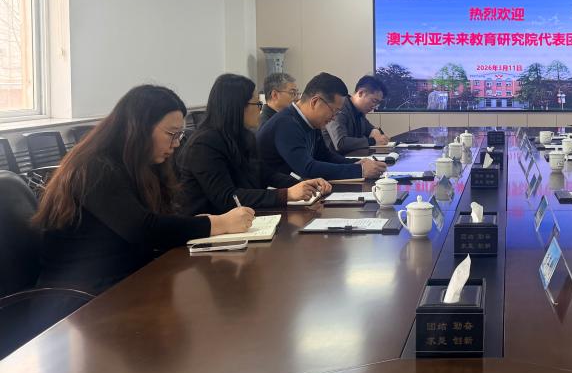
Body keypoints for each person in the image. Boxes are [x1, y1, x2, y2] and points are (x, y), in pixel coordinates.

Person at [33, 85, 254, 296]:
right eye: (171, 134)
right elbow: (142, 228)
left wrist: (197, 224)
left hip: (123, 279)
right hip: (82, 297)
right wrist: (217, 224)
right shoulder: (94, 167)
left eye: (179, 135)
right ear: (138, 128)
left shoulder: (140, 164)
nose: (177, 144)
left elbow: (156, 221)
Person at [176, 74, 331, 215]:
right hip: (212, 228)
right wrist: (286, 194)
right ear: (238, 106)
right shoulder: (204, 144)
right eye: (257, 104)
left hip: (245, 219)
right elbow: (227, 198)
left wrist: (304, 184)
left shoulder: (244, 136)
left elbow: (264, 174)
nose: (260, 110)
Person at [256, 72, 386, 183]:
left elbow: (325, 156)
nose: (334, 117)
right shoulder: (286, 123)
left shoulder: (311, 121)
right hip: (272, 195)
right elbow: (307, 168)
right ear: (315, 102)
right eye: (334, 111)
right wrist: (359, 170)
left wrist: (356, 163)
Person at [324, 74, 389, 155]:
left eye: (377, 103)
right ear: (361, 93)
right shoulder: (340, 107)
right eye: (374, 101)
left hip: (353, 157)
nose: (374, 106)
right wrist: (373, 141)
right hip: (335, 159)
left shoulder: (359, 112)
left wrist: (375, 130)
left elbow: (370, 128)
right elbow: (340, 143)